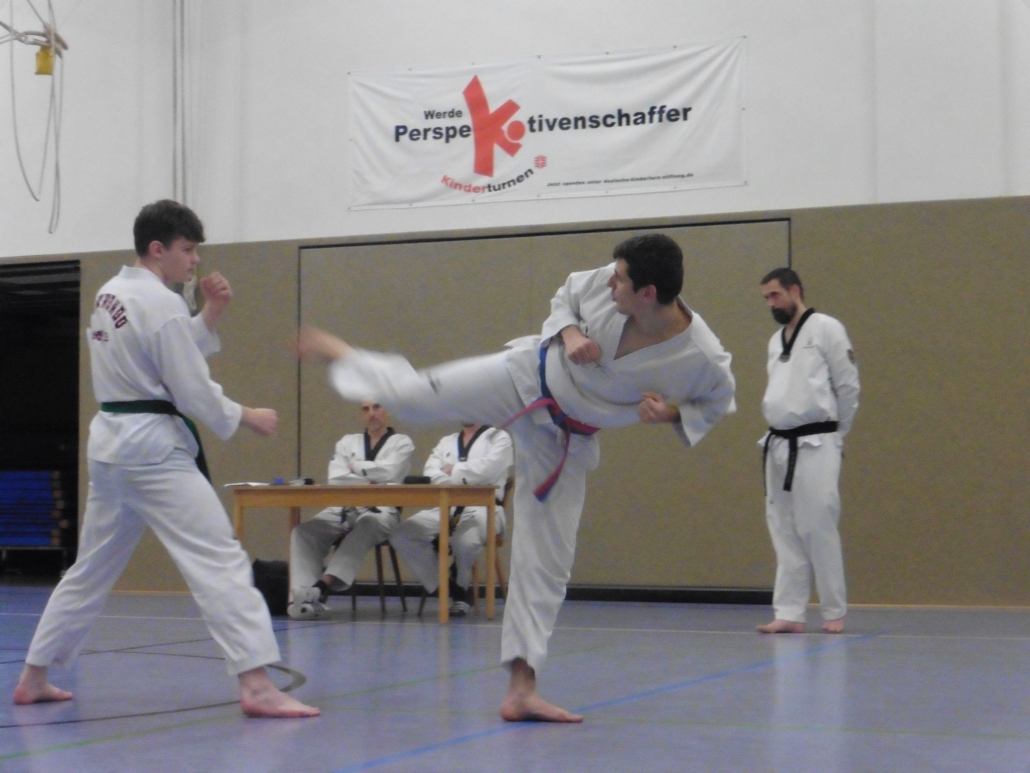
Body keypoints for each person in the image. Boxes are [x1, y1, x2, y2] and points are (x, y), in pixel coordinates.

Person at [295, 233, 736, 723]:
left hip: (566, 437)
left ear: (648, 293)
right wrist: (570, 334)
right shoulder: (608, 282)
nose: (610, 283)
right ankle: (343, 354)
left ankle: (522, 689)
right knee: (414, 399)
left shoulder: (701, 356)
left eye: (621, 281)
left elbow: (719, 400)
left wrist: (670, 413)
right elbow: (566, 295)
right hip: (524, 376)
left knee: (548, 559)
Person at [12, 200, 319, 718]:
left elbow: (159, 352)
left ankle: (34, 676)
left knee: (90, 568)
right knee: (218, 557)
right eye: (188, 249)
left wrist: (209, 314)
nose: (195, 261)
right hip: (153, 450)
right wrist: (246, 415)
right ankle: (257, 685)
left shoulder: (111, 292)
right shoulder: (160, 301)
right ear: (158, 249)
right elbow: (190, 388)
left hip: (112, 447)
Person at [756, 267, 859, 635]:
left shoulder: (827, 329)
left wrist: (838, 436)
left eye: (775, 295)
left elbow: (848, 387)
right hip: (777, 443)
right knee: (783, 529)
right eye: (766, 298)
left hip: (818, 440)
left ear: (795, 291)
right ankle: (789, 612)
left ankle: (833, 611)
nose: (771, 303)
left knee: (818, 526)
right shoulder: (775, 341)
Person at [288, 400, 414, 620]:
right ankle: (303, 599)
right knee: (303, 532)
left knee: (366, 524)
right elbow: (335, 477)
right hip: (344, 507)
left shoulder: (402, 442)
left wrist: (354, 467)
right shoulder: (348, 442)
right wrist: (372, 479)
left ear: (387, 411)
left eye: (377, 407)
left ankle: (321, 586)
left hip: (383, 510)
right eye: (366, 409)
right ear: (361, 415)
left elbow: (391, 473)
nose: (371, 413)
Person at [390, 423, 513, 617]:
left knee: (464, 541)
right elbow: (430, 472)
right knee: (401, 534)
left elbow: (487, 471)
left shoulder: (499, 437)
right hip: (447, 506)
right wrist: (463, 477)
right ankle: (454, 589)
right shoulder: (447, 442)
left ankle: (459, 583)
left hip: (485, 509)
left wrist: (453, 469)